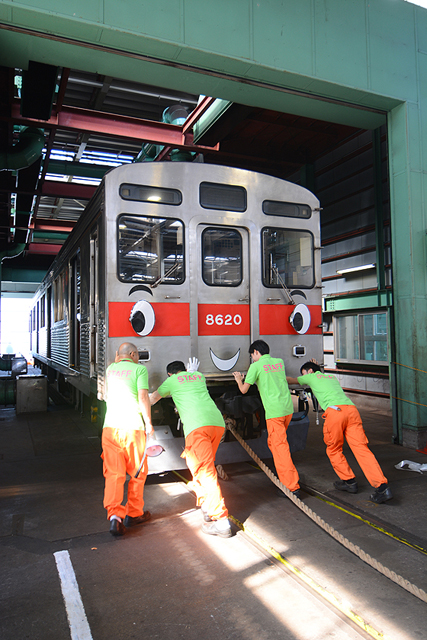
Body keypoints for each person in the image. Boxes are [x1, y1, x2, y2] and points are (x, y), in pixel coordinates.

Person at [287, 361, 392, 504]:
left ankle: (349, 481)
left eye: (303, 373)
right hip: (351, 410)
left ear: (309, 371)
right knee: (362, 449)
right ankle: (382, 487)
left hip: (336, 412)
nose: (303, 377)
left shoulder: (311, 377)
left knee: (334, 448)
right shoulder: (331, 378)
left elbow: (290, 381)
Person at [150, 359, 231, 538]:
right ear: (185, 369)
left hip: (197, 428)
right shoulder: (198, 376)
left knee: (206, 472)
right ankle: (206, 509)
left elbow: (152, 399)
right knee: (200, 468)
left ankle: (221, 521)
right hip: (217, 424)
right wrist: (192, 373)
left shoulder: (170, 381)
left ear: (170, 374)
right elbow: (192, 381)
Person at [233, 339, 301, 498]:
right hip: (287, 409)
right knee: (275, 442)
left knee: (280, 448)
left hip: (274, 412)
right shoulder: (279, 362)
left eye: (252, 355)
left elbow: (243, 390)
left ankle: (291, 486)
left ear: (256, 352)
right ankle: (286, 474)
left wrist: (238, 379)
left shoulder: (255, 366)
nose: (252, 358)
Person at [101, 342, 154, 536]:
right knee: (137, 472)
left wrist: (117, 357)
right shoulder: (139, 369)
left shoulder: (111, 369)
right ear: (132, 354)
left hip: (110, 428)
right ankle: (134, 513)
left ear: (118, 355)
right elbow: (143, 398)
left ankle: (115, 517)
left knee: (114, 474)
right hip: (133, 427)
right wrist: (149, 423)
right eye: (137, 354)